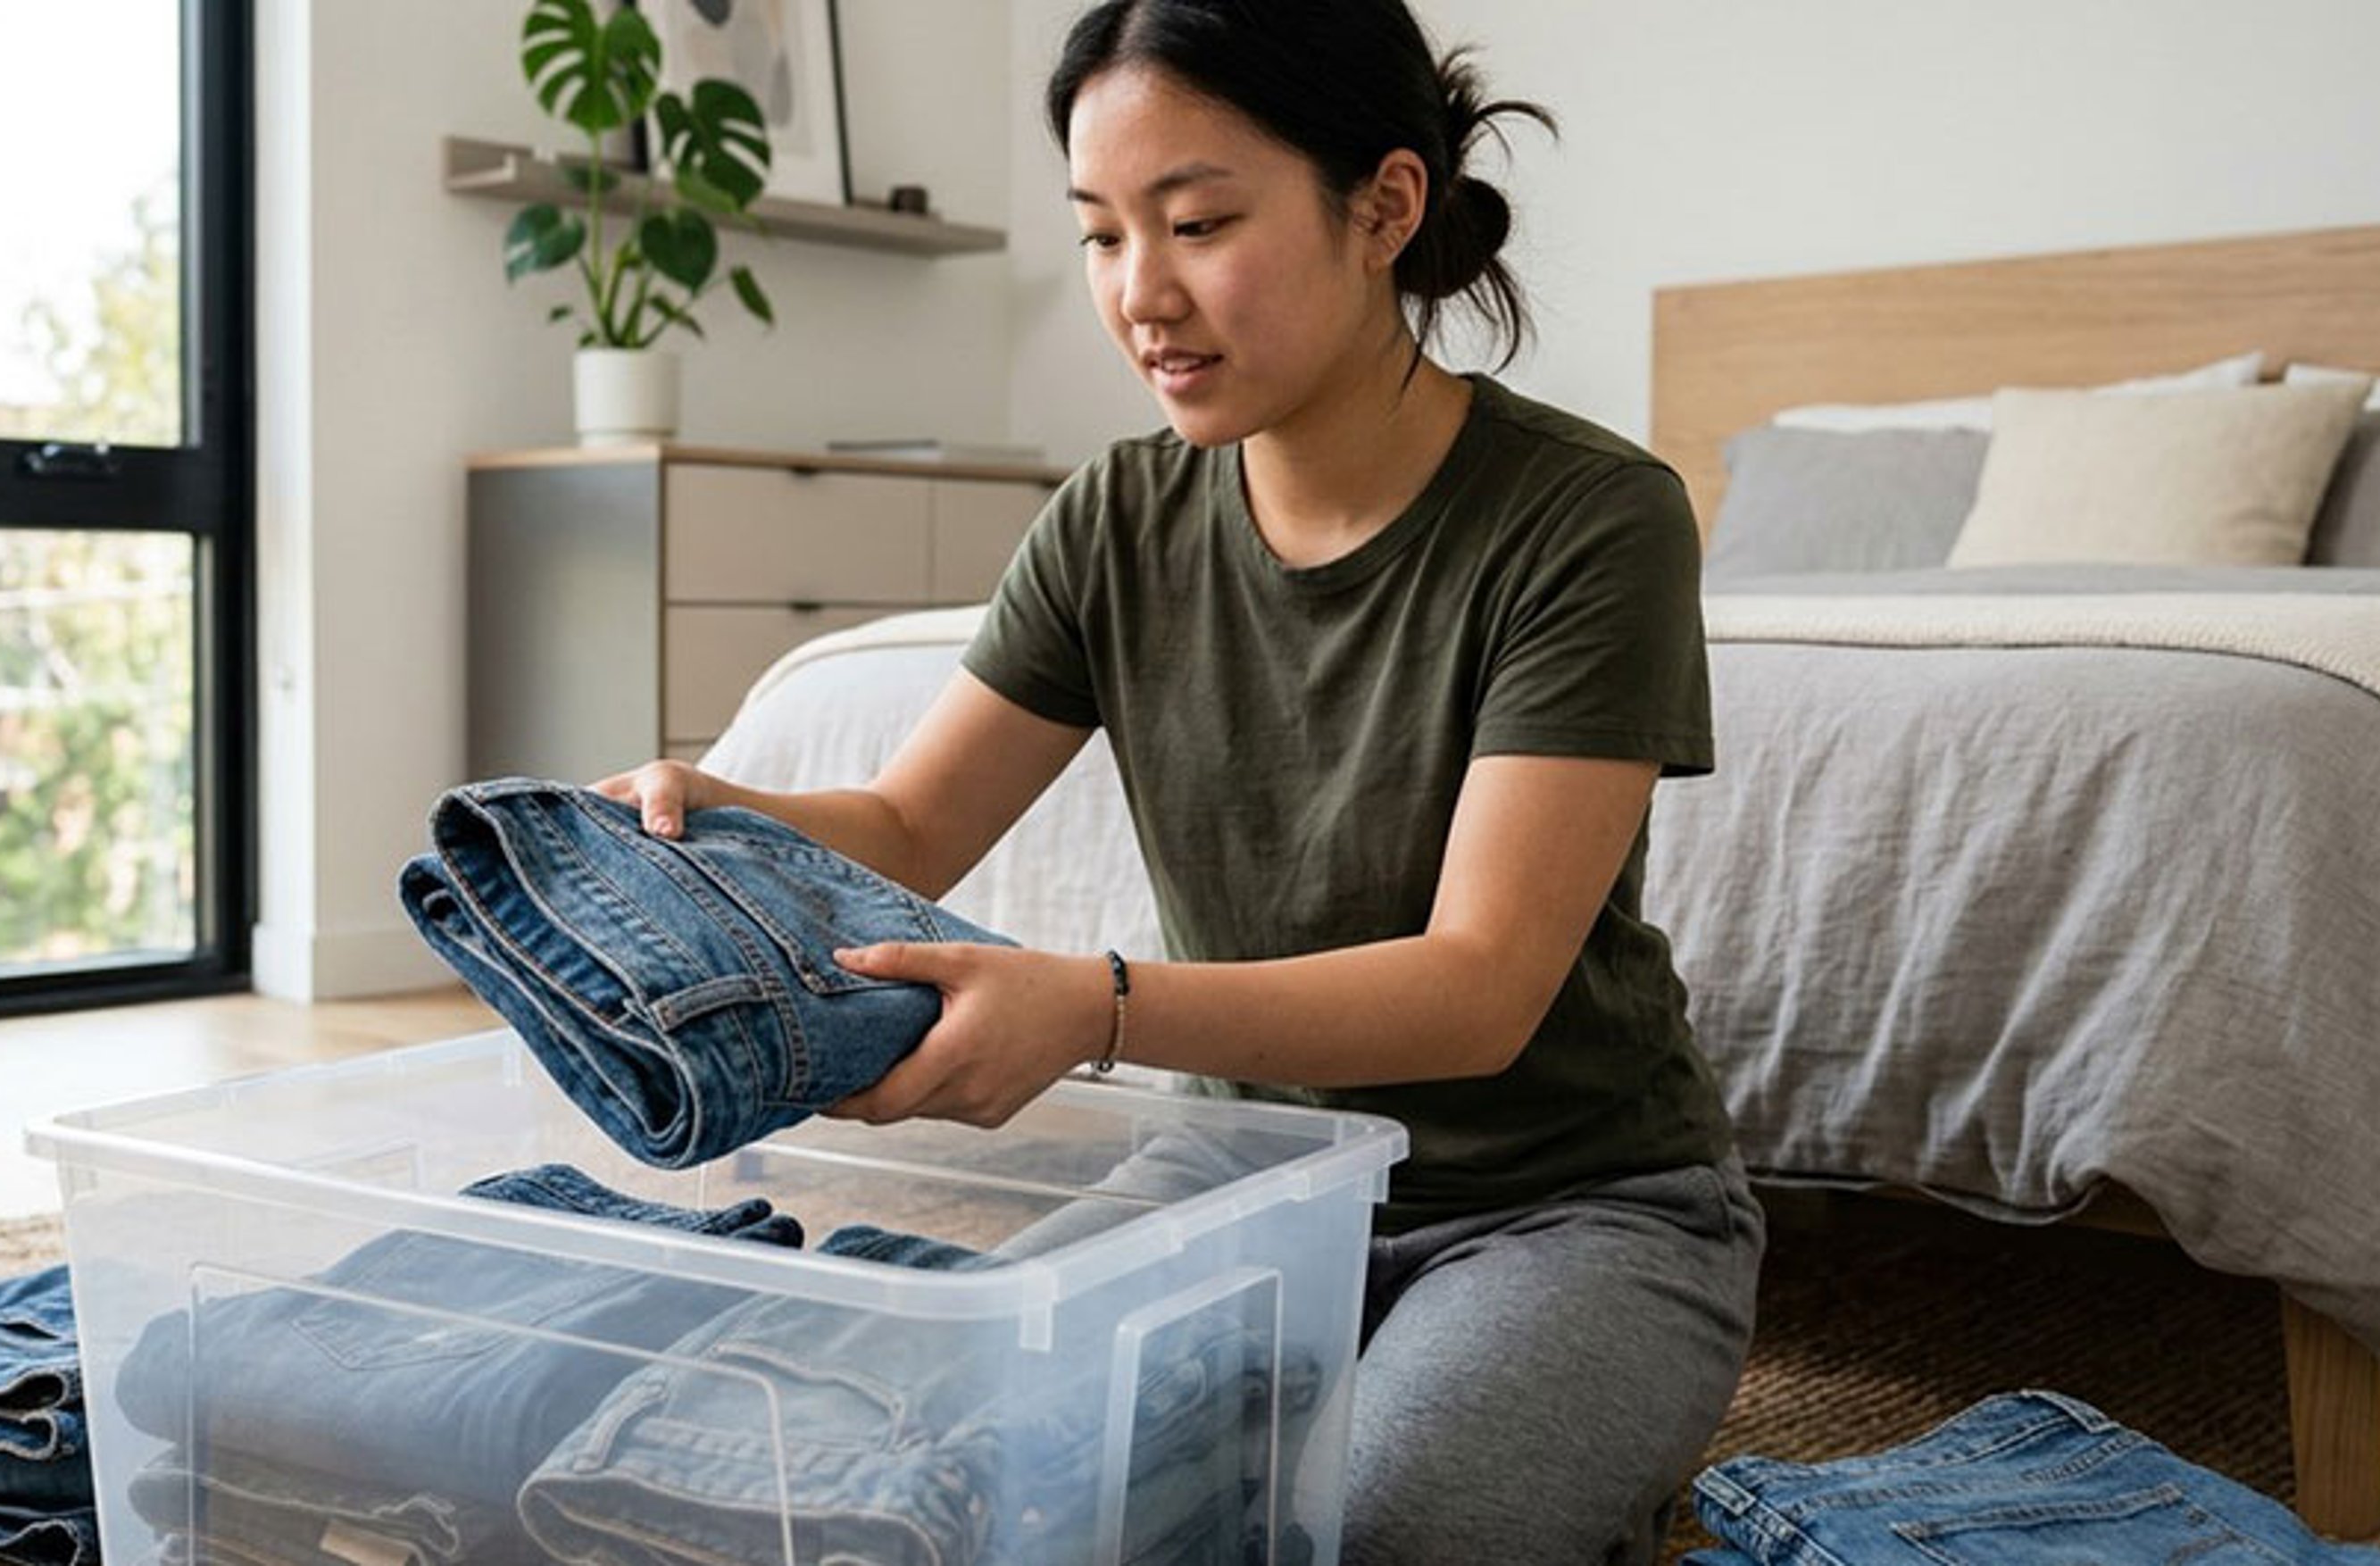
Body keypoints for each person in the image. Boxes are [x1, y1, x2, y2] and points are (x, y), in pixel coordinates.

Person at [595, 0, 1759, 1558]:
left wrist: (1103, 1004)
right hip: (1251, 1173)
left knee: (1387, 1529)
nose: (1142, 295)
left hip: (1573, 1204)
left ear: (1384, 208)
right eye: (1099, 235)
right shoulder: (1116, 518)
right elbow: (907, 826)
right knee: (964, 1485)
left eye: (1199, 223)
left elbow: (1481, 988)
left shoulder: (1590, 520)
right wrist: (721, 806)